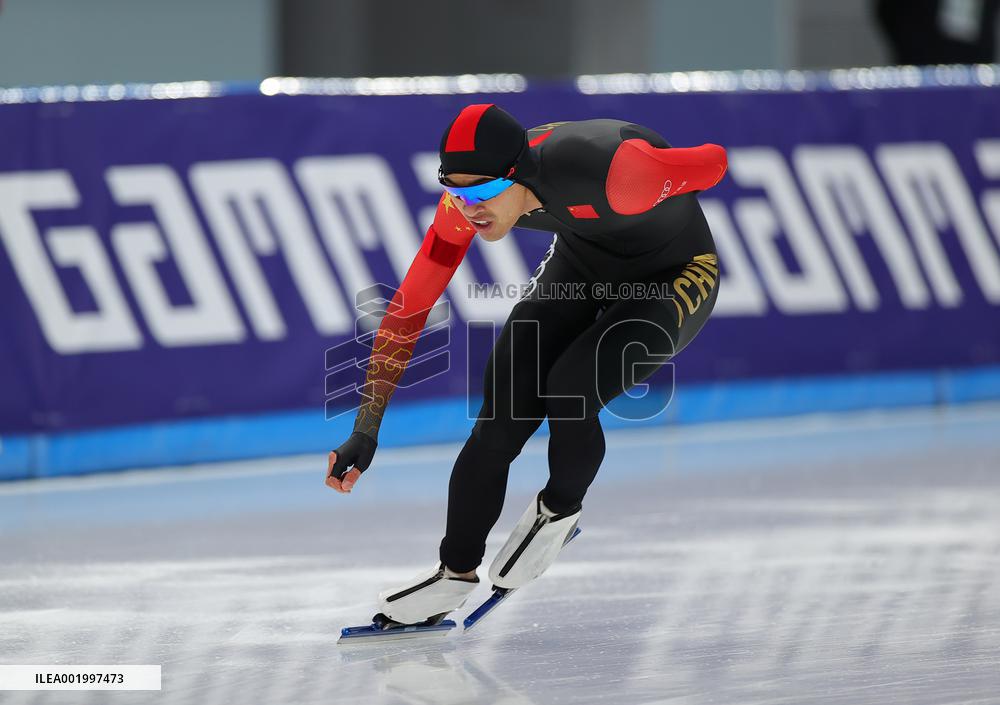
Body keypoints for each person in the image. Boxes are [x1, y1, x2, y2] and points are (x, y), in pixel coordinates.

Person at [326, 104, 727, 627]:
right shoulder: (462, 204)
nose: (469, 209)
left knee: (570, 388)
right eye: (456, 191)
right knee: (501, 414)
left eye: (483, 194)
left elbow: (714, 162)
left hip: (671, 271)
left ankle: (559, 511)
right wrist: (366, 429)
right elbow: (408, 312)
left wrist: (660, 173)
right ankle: (454, 572)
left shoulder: (618, 176)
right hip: (581, 262)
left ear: (520, 174)